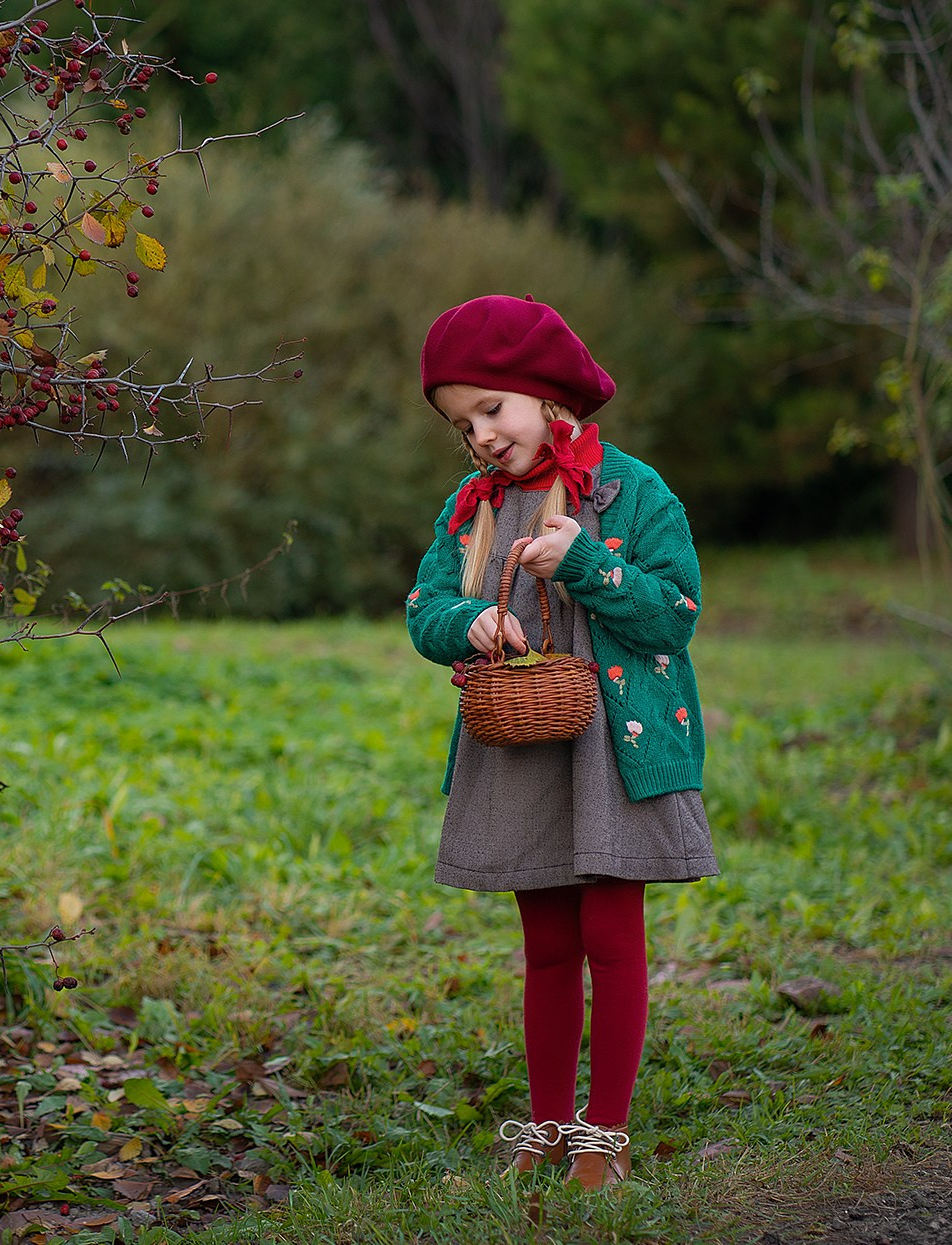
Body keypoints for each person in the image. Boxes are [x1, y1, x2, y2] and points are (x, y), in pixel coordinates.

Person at [405, 294, 717, 1190]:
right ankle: (544, 1121)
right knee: (545, 943)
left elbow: (675, 613)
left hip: (611, 753)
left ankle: (603, 1135)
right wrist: (471, 620)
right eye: (461, 423)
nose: (478, 436)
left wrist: (584, 561)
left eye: (489, 409)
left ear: (547, 398)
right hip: (521, 749)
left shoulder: (631, 490)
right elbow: (424, 607)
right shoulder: (471, 510)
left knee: (612, 934)